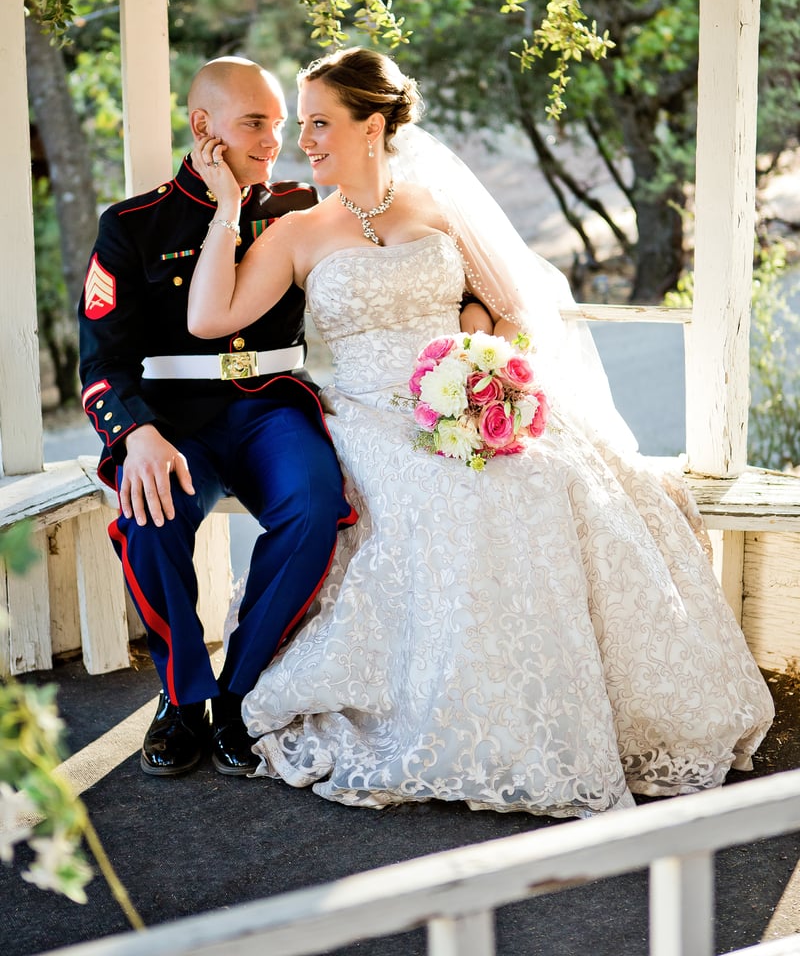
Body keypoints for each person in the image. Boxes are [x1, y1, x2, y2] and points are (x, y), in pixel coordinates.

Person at [186, 46, 774, 817]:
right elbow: (210, 318)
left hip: (464, 397)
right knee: (458, 500)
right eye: (304, 125)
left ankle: (575, 707)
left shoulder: (432, 207)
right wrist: (227, 207)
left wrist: (478, 357)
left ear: (372, 125)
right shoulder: (297, 232)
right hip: (371, 416)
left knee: (556, 479)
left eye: (321, 123)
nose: (305, 141)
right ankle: (470, 714)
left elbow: (500, 306)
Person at [78, 56, 356, 779]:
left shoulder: (301, 206)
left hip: (271, 406)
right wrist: (135, 435)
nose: (273, 141)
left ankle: (237, 691)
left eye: (280, 124)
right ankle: (182, 698)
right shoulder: (132, 224)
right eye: (255, 122)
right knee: (149, 514)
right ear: (204, 125)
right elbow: (101, 360)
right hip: (172, 421)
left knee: (314, 508)